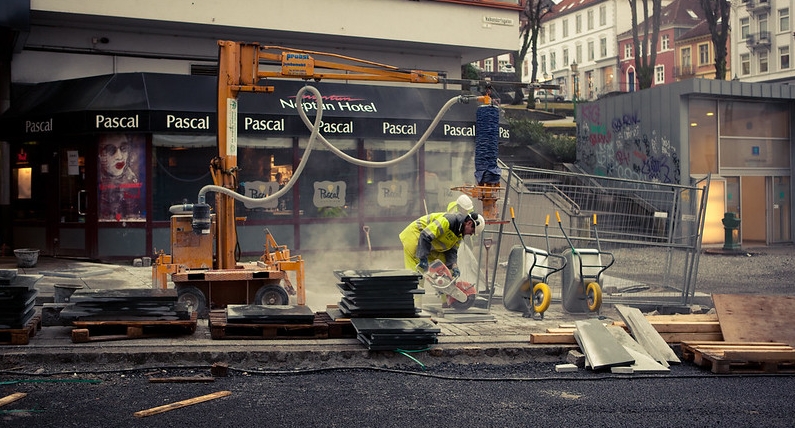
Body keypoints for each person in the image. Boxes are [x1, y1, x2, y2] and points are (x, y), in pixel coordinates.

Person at [399, 211, 485, 277]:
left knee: (444, 268)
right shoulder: (447, 221)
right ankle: (414, 299)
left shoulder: (459, 233)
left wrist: (453, 266)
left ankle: (446, 297)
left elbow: (452, 251)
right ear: (469, 223)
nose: (471, 234)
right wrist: (423, 258)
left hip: (426, 244)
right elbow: (425, 235)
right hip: (414, 237)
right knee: (418, 275)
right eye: (472, 231)